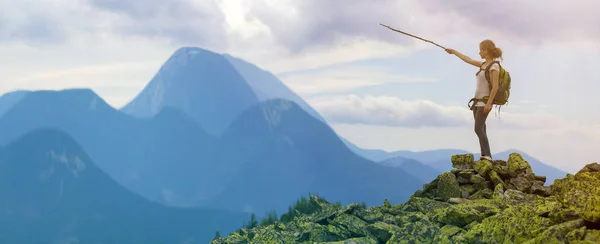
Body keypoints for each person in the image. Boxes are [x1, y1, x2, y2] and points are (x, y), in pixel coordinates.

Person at [444, 39, 503, 161]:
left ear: (486, 51)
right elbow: (467, 59)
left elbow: (495, 86)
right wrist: (454, 52)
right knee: (482, 128)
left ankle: (487, 155)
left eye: (481, 49)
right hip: (477, 102)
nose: (479, 52)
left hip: (484, 102)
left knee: (478, 128)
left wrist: (489, 103)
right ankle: (484, 155)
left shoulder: (494, 66)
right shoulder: (483, 65)